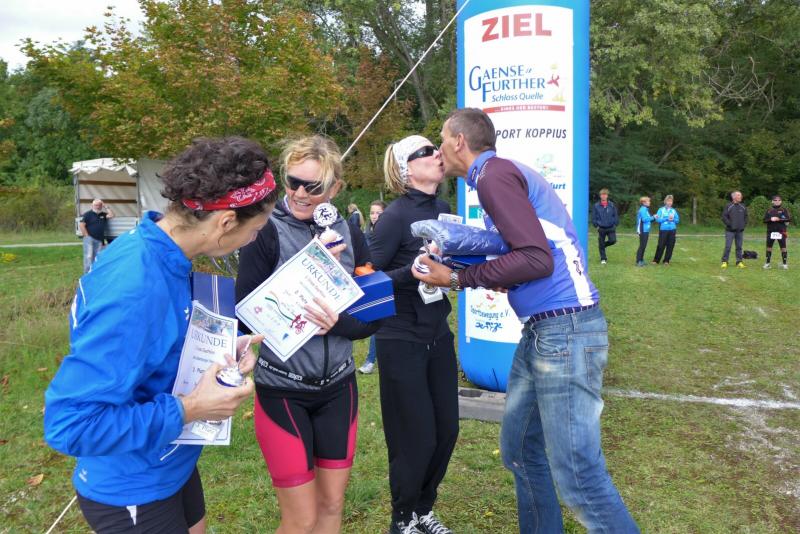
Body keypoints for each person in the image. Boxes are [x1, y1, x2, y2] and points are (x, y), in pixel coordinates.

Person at [414, 108, 639, 534]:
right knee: (519, 449)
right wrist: (469, 264)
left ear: (459, 141)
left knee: (578, 473)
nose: (439, 149)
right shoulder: (494, 176)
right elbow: (525, 255)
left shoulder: (493, 175)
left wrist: (457, 279)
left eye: (442, 139)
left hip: (565, 331)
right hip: (544, 331)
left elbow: (536, 259)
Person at [44, 136, 278, 533]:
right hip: (133, 485)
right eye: (256, 229)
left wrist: (218, 345)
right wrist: (192, 408)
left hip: (171, 461)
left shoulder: (160, 248)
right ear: (225, 222)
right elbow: (71, 424)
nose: (255, 238)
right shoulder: (135, 286)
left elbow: (149, 346)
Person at [235, 135, 377, 534]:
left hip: (339, 388)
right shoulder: (266, 230)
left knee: (331, 506)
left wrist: (339, 323)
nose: (299, 193)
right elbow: (246, 317)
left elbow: (374, 317)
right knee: (301, 520)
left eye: (312, 187)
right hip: (283, 389)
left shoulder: (350, 233)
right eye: (292, 181)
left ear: (335, 188)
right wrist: (308, 267)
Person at [368, 135, 459, 534]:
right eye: (426, 152)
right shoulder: (394, 217)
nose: (437, 154)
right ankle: (402, 518)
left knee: (447, 430)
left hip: (438, 333)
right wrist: (411, 272)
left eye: (435, 148)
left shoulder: (444, 210)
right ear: (407, 169)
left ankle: (423, 509)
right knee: (414, 436)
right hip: (400, 337)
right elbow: (366, 279)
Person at [358, 199, 387, 374]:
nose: (375, 216)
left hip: (388, 281)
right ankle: (370, 361)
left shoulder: (390, 233)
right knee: (378, 323)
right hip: (373, 283)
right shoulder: (366, 235)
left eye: (378, 213)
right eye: (372, 213)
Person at [80, 198, 114, 273]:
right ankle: (87, 274)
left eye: (99, 205)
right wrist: (87, 236)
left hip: (100, 239)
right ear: (92, 206)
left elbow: (111, 215)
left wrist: (106, 207)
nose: (97, 207)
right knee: (89, 256)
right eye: (96, 205)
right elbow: (82, 225)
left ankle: (96, 272)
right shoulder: (88, 214)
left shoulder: (103, 214)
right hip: (89, 239)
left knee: (98, 256)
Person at [763, 194, 791, 269]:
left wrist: (779, 219)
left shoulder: (784, 210)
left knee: (783, 248)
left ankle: (785, 264)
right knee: (769, 247)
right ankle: (767, 263)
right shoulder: (769, 210)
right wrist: (770, 219)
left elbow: (788, 219)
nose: (777, 201)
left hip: (781, 232)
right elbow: (764, 220)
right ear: (772, 201)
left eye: (779, 200)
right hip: (771, 232)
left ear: (781, 201)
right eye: (775, 200)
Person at [721, 190, 748, 269]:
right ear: (734, 197)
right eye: (739, 195)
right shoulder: (729, 206)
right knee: (728, 247)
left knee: (739, 247)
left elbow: (746, 217)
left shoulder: (743, 206)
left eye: (741, 195)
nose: (741, 196)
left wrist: (743, 225)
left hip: (740, 231)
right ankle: (724, 261)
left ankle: (739, 262)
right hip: (730, 231)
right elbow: (724, 217)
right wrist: (730, 225)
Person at [591, 188, 618, 264]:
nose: (603, 196)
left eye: (605, 194)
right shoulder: (596, 206)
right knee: (601, 241)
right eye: (602, 194)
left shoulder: (611, 205)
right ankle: (603, 259)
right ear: (600, 196)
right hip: (601, 228)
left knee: (613, 241)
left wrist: (615, 224)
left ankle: (602, 246)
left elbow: (615, 215)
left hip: (611, 227)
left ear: (607, 196)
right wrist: (596, 226)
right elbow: (593, 217)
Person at [652, 195, 680, 265]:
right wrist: (666, 218)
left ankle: (666, 260)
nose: (670, 202)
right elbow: (657, 220)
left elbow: (677, 220)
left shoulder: (673, 210)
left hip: (672, 230)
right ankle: (656, 260)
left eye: (671, 201)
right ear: (665, 201)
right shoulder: (661, 210)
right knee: (661, 245)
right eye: (668, 201)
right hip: (663, 230)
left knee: (670, 245)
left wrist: (673, 219)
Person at [635, 196, 654, 267]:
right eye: (648, 201)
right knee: (642, 245)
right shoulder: (643, 209)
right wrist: (653, 217)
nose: (649, 202)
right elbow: (644, 219)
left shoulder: (646, 209)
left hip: (646, 229)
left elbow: (649, 219)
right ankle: (638, 261)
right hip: (642, 229)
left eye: (649, 201)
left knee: (644, 245)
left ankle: (641, 260)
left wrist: (654, 218)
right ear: (643, 202)